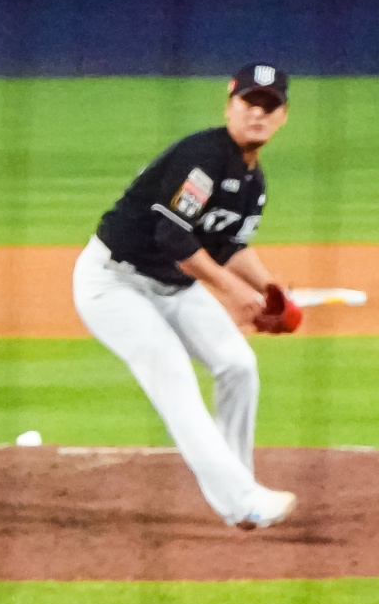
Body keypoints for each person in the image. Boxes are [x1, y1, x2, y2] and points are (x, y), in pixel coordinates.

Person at [72, 64, 298, 531]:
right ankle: (242, 502)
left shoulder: (252, 182)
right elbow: (172, 236)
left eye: (269, 106)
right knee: (174, 377)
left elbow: (227, 245)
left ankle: (239, 485)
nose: (258, 114)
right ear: (229, 106)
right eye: (249, 103)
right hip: (114, 284)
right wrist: (234, 293)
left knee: (238, 365)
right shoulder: (203, 157)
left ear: (283, 116)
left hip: (171, 287)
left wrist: (270, 290)